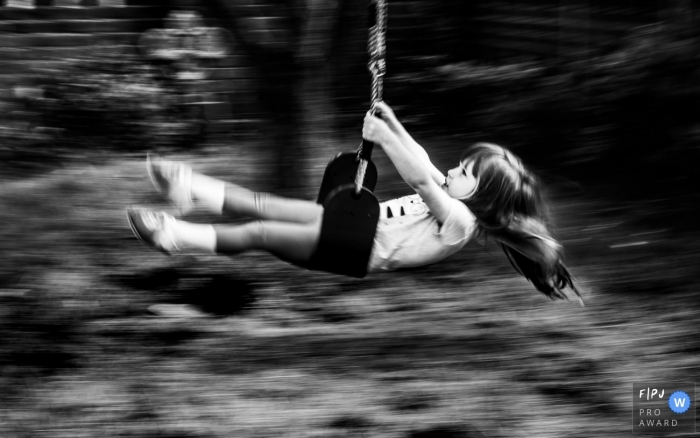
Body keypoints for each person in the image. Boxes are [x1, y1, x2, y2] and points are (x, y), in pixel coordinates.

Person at [128, 102, 581, 302]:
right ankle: (188, 191)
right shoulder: (454, 193)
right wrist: (394, 123)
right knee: (262, 204)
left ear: (480, 197)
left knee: (258, 232)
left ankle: (173, 236)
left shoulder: (461, 221)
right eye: (463, 166)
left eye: (467, 174)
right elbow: (424, 162)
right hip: (343, 223)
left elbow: (421, 181)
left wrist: (383, 138)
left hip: (353, 249)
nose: (456, 172)